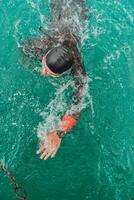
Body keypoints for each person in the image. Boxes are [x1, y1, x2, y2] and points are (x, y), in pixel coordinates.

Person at [21, 30, 87, 160]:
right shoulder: (41, 45)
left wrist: (59, 133)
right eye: (45, 66)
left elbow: (77, 106)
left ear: (65, 71)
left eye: (50, 74)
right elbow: (23, 48)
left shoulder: (79, 74)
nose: (44, 73)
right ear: (46, 55)